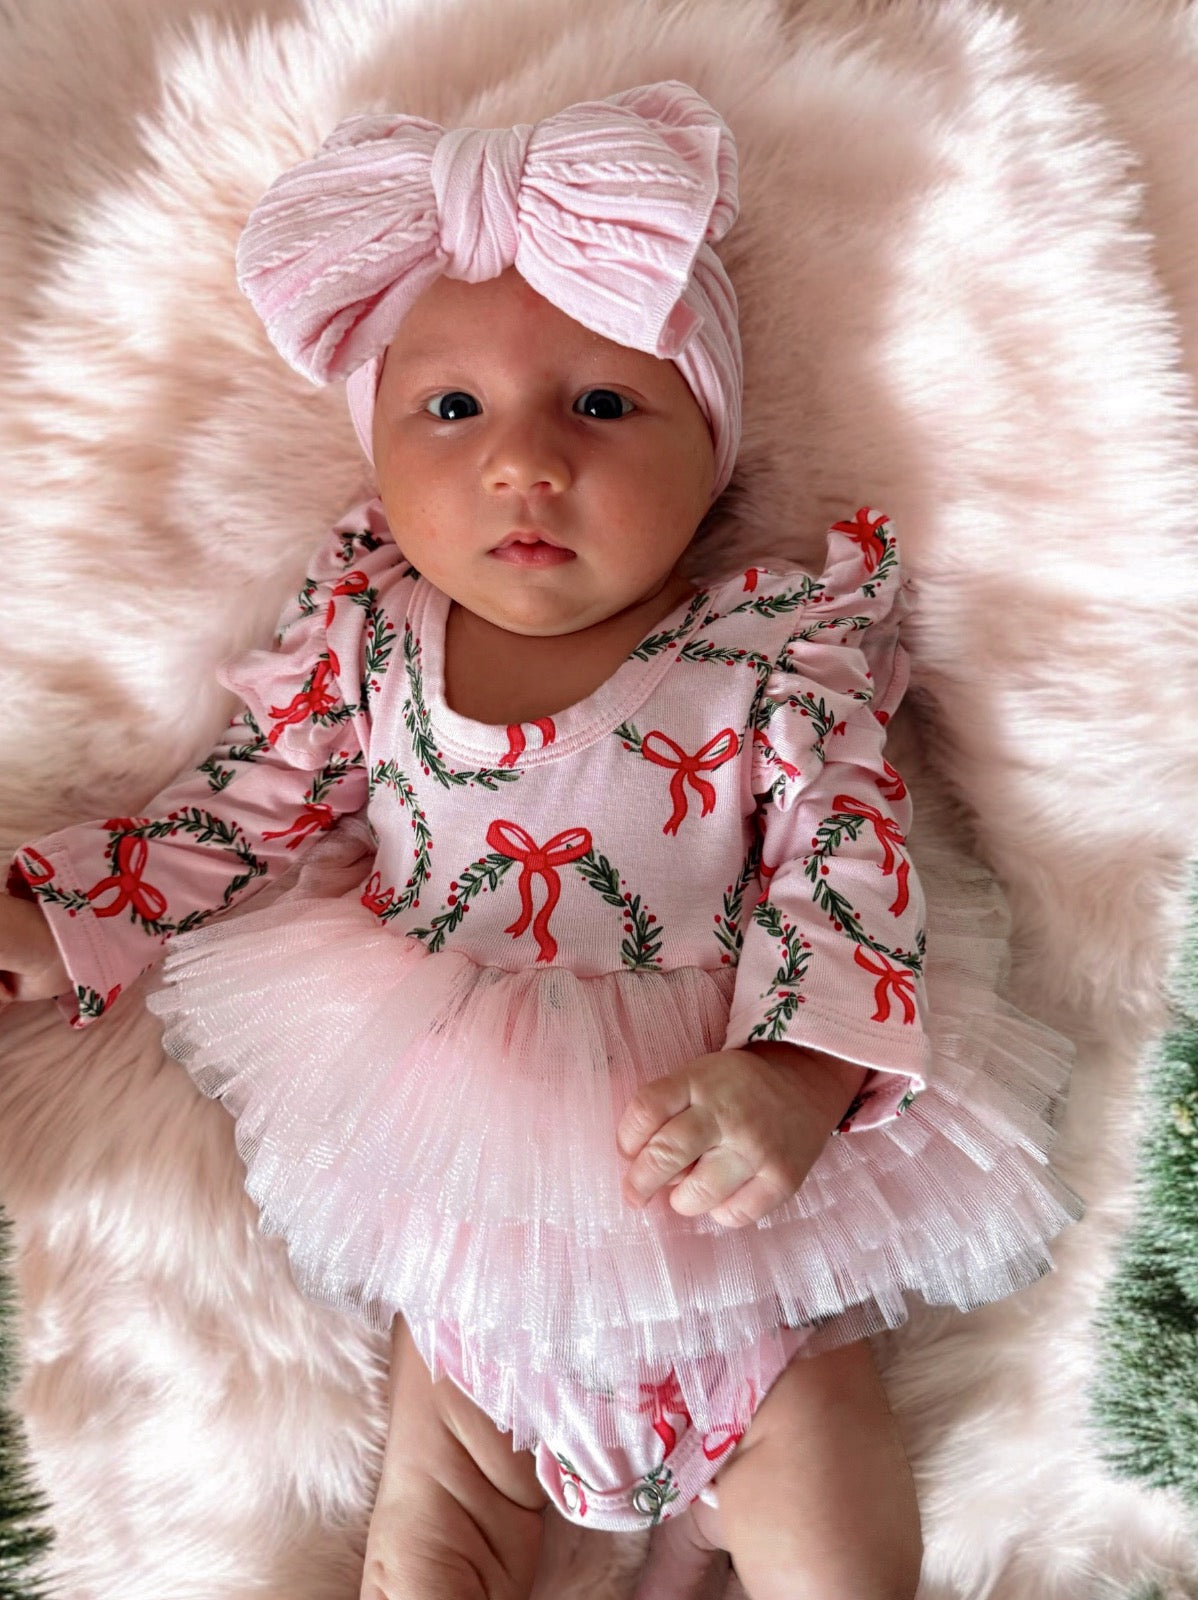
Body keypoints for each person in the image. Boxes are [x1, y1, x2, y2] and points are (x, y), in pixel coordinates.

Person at [0, 82, 1081, 1600]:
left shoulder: (773, 650)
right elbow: (238, 815)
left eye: (600, 404)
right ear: (377, 453)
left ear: (712, 447)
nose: (522, 462)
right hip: (473, 1264)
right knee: (427, 1548)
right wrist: (59, 915)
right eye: (450, 410)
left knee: (839, 1536)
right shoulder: (367, 642)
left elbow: (846, 879)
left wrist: (798, 1074)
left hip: (747, 1277)